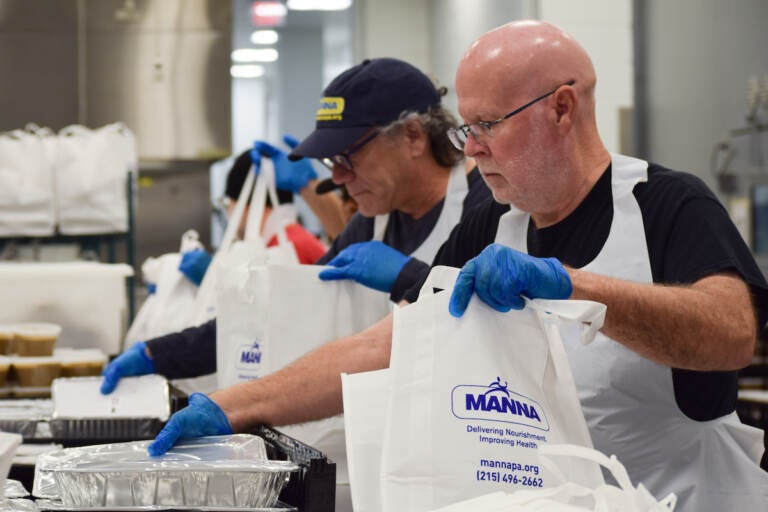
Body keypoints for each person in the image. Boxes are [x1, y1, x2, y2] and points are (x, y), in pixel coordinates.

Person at [147, 21, 768, 510]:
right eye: (468, 126)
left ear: (562, 109)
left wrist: (574, 286)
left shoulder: (665, 203)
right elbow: (382, 347)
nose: (470, 148)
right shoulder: (492, 223)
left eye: (489, 125)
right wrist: (236, 406)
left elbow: (732, 332)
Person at [100, 56, 490, 392]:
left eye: (347, 158)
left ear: (413, 137)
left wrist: (414, 278)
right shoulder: (372, 223)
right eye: (330, 163)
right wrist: (158, 354)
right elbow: (283, 315)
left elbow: (491, 336)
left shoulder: (486, 210)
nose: (337, 179)